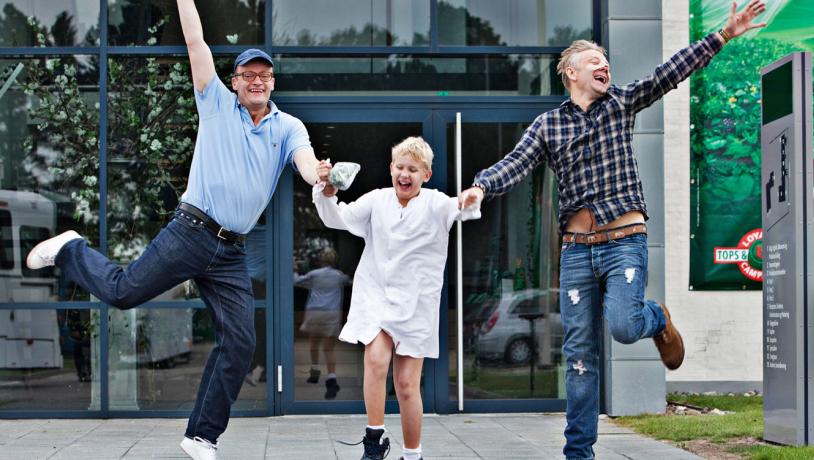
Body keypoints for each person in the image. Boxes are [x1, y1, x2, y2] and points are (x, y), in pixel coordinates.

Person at [457, 2, 767, 459]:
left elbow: (669, 73)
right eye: (593, 61)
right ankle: (578, 454)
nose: (604, 66)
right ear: (571, 73)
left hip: (624, 243)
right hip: (577, 251)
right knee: (580, 357)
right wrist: (481, 187)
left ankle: (656, 317)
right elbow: (517, 162)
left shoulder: (620, 103)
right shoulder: (549, 125)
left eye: (606, 61)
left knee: (624, 326)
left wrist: (721, 35)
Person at [24, 0, 325, 458]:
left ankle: (201, 435)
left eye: (264, 75)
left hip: (230, 252)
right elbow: (194, 41)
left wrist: (319, 174)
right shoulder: (215, 102)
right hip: (191, 231)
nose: (257, 81)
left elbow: (305, 165)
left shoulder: (288, 128)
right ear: (235, 82)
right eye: (248, 75)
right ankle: (70, 249)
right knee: (123, 292)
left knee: (240, 342)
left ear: (272, 83)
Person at [314, 137, 480, 460]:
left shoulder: (435, 203)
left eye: (413, 170)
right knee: (376, 360)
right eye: (400, 167)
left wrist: (469, 198)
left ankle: (413, 454)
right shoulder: (376, 200)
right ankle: (374, 441)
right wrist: (327, 191)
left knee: (405, 385)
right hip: (376, 296)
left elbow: (460, 207)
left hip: (416, 305)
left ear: (426, 174)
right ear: (391, 169)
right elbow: (338, 217)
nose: (405, 174)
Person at [294, 247, 351, 399]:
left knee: (313, 345)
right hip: (331, 313)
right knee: (329, 349)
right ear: (334, 260)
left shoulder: (314, 274)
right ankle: (331, 379)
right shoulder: (339, 276)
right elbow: (351, 281)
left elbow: (296, 281)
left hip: (315, 312)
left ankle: (314, 372)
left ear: (320, 260)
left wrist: (294, 269)